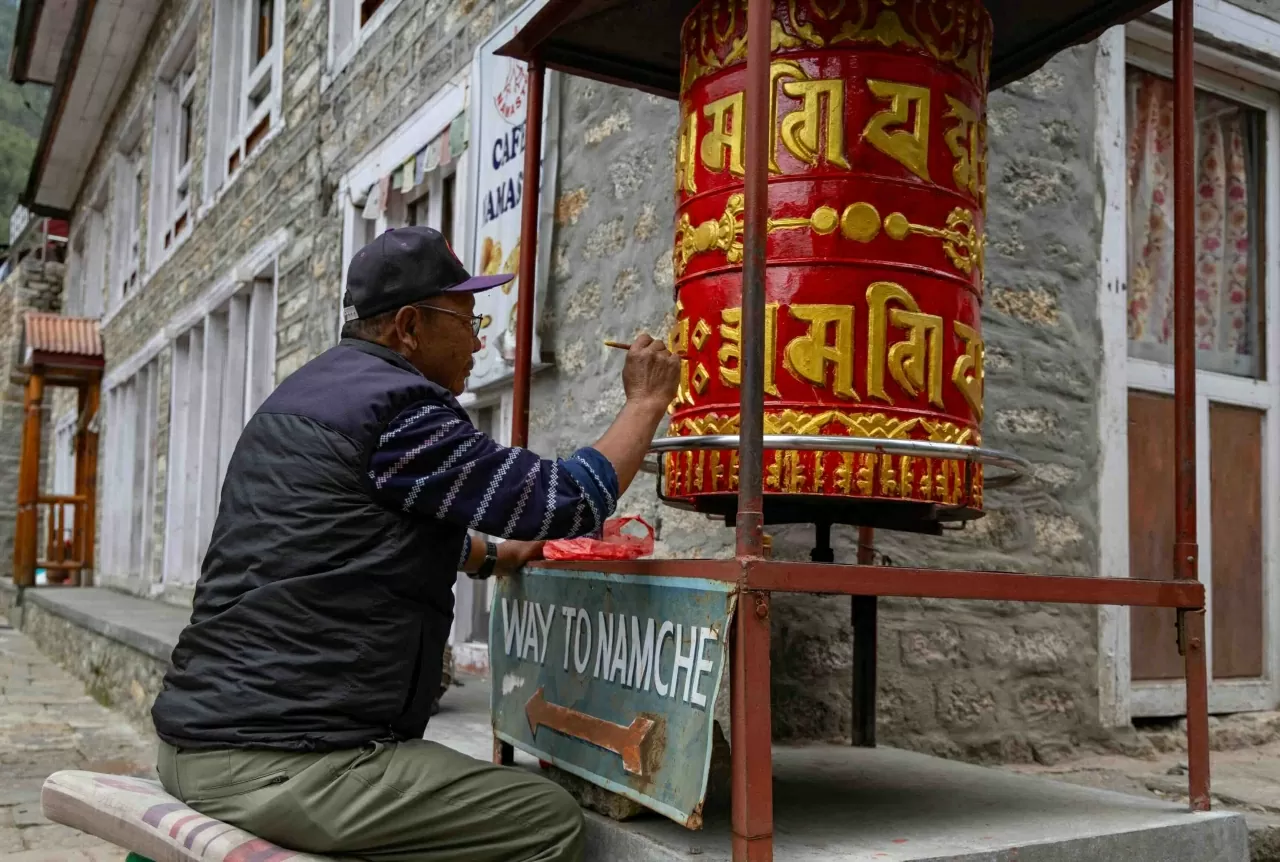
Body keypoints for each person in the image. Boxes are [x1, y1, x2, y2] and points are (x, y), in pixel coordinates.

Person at [151, 226, 681, 862]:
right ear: (409, 327)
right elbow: (563, 501)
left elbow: (346, 532)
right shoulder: (401, 409)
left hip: (201, 737)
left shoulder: (305, 398)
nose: (479, 339)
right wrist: (646, 401)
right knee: (544, 818)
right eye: (467, 318)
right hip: (279, 758)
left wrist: (491, 555)